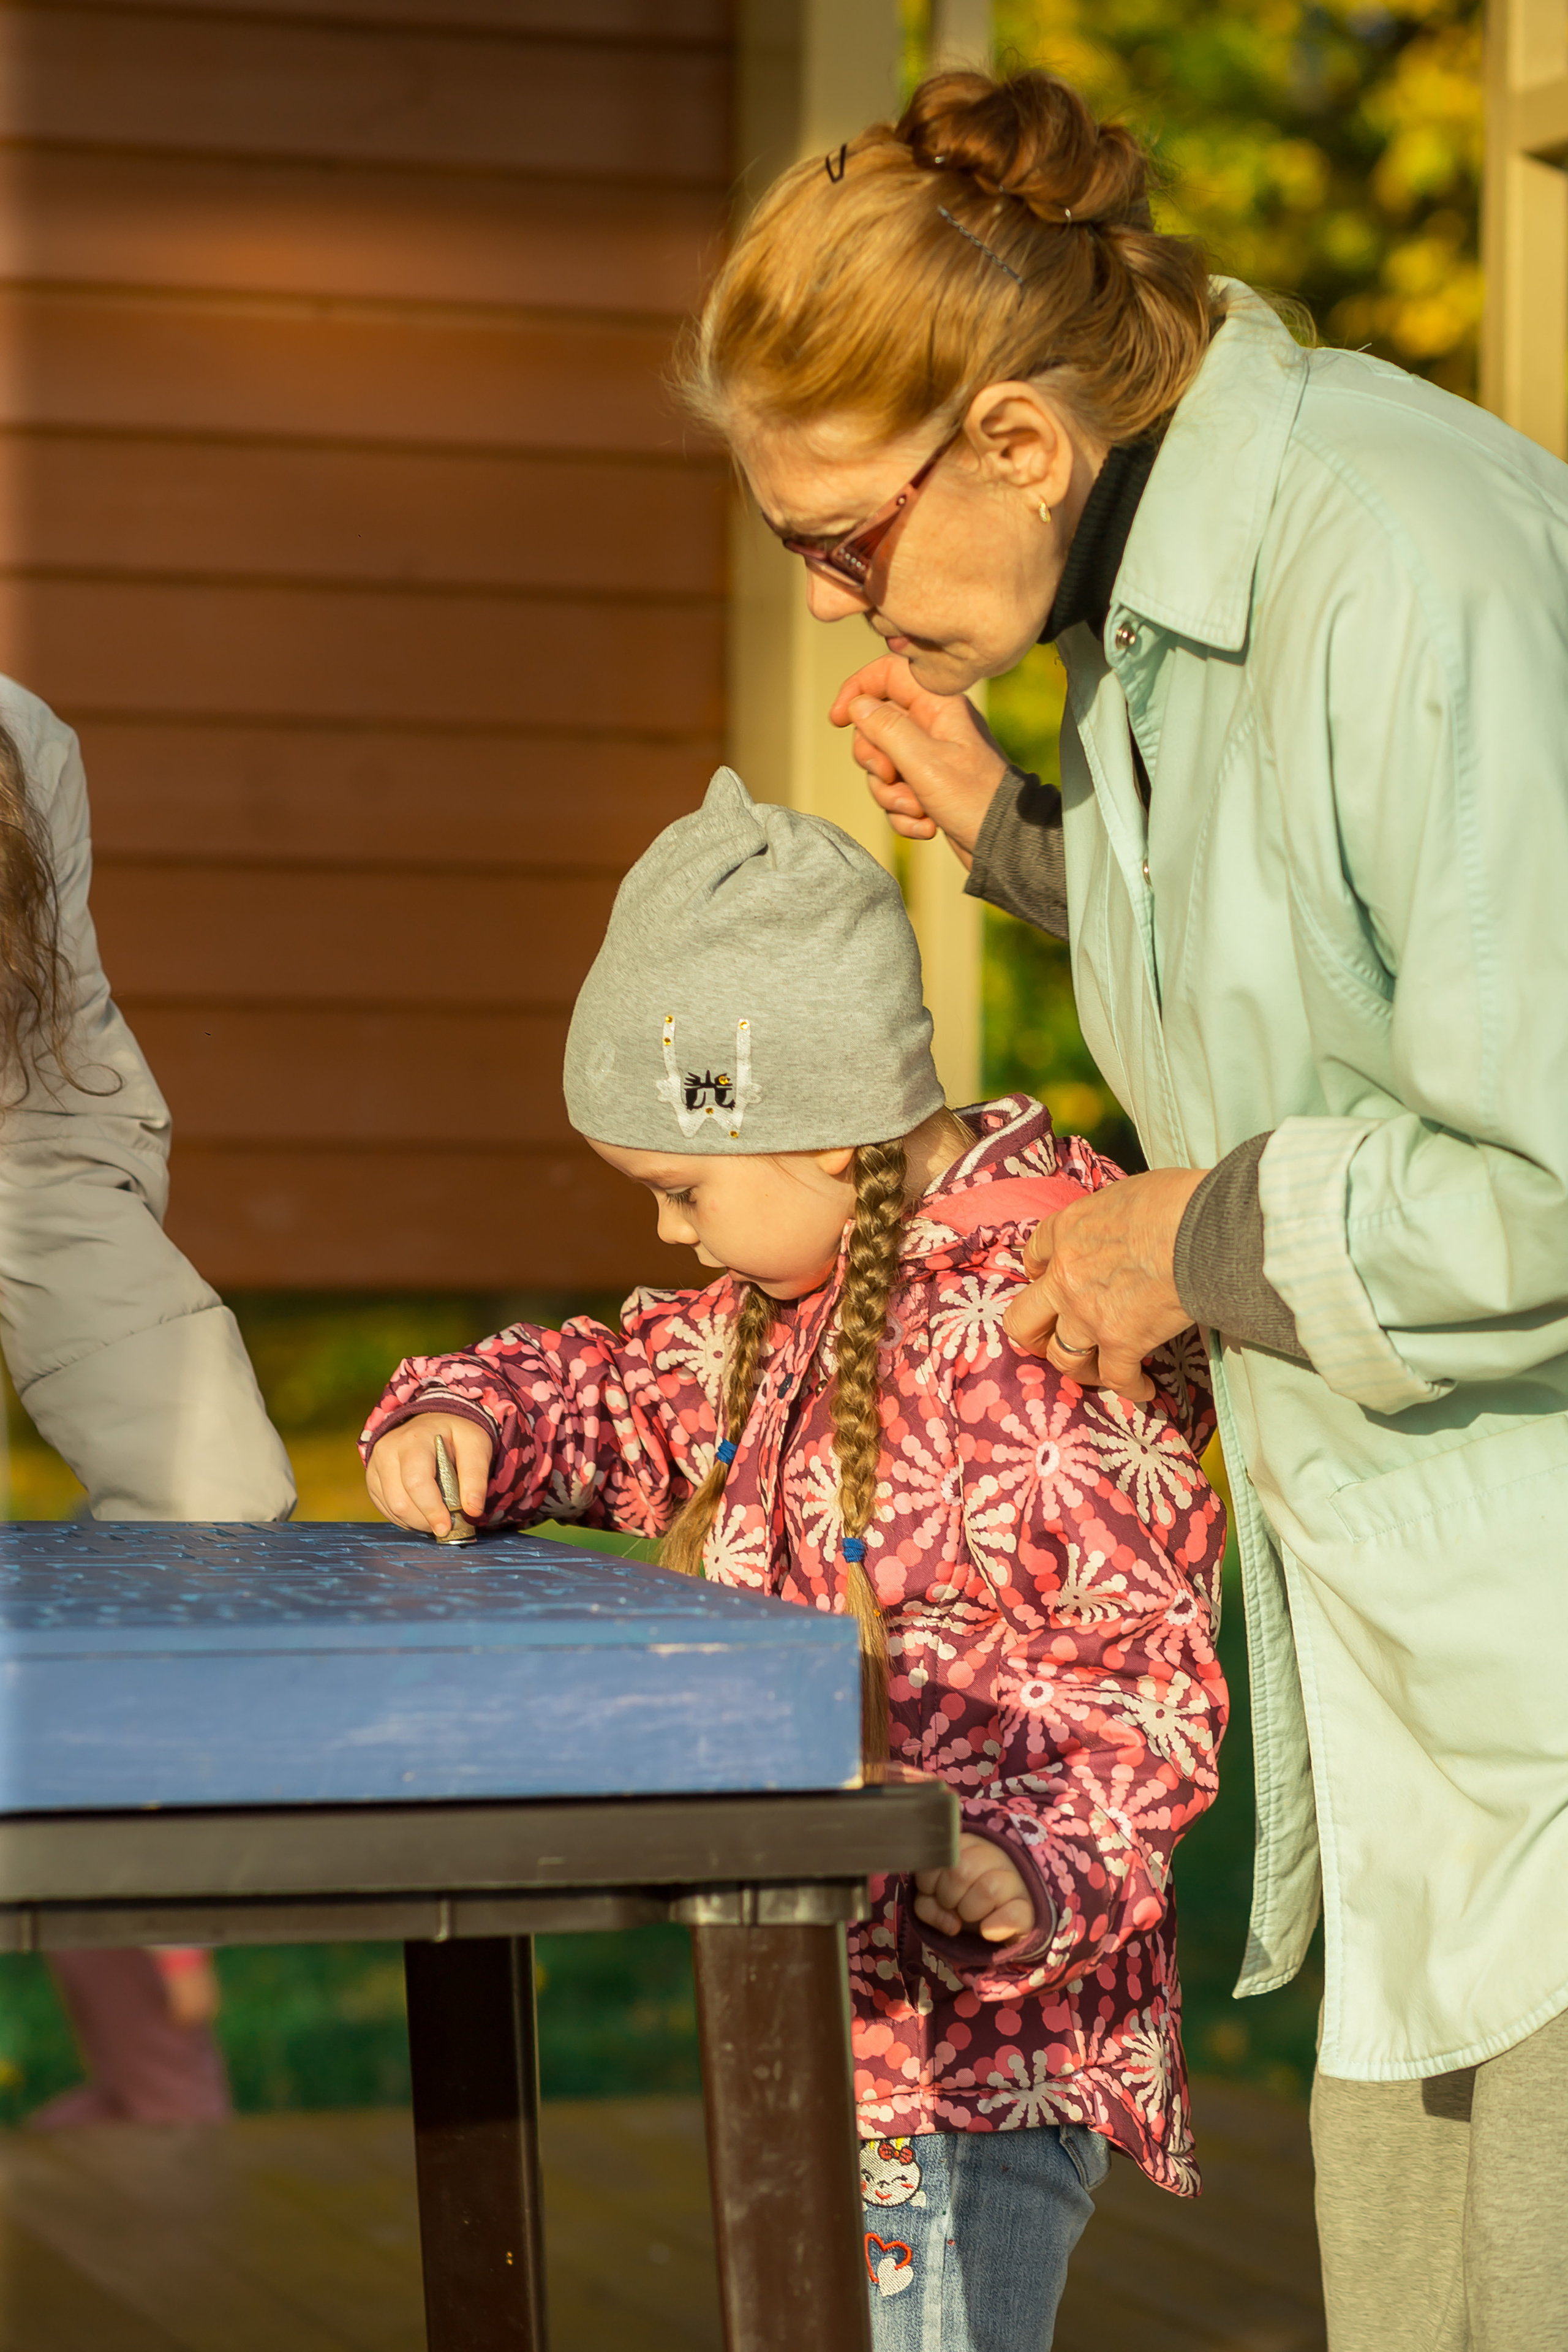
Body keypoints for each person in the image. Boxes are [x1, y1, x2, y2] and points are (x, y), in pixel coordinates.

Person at [677, 59, 1568, 2352]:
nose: (825, 595)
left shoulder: (1403, 558)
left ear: (1014, 442)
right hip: (1436, 1711)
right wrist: (1020, 839)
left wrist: (1178, 1243)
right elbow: (1345, 990)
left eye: (840, 536)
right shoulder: (1173, 591)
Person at [362, 769, 1227, 2350]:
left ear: (822, 1134)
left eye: (686, 1189)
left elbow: (1144, 1683)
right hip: (833, 2034)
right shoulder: (792, 1306)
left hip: (981, 2064)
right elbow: (617, 1386)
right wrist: (466, 1412)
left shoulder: (1044, 1329)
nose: (677, 1237)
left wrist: (1031, 1864)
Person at [0, 674, 295, 2122]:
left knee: (216, 1491)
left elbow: (47, 1114)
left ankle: (151, 2052)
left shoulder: (22, 743)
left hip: (26, 1161)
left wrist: (180, 1433)